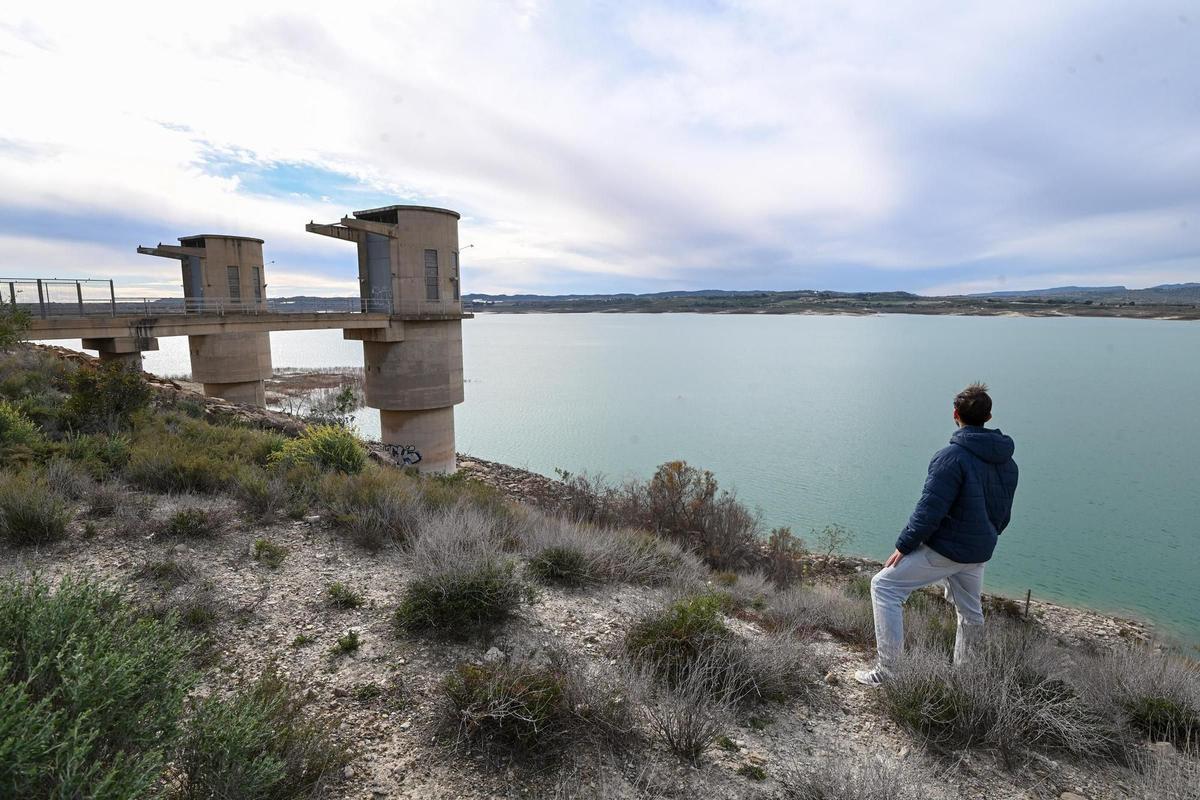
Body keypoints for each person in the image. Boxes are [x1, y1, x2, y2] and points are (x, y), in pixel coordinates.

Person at [855, 383, 1018, 686]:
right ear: (989, 416)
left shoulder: (951, 457)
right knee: (970, 614)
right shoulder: (1008, 463)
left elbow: (929, 509)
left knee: (884, 587)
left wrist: (904, 546)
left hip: (947, 551)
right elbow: (1002, 513)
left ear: (955, 415)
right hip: (979, 551)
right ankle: (966, 680)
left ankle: (888, 672)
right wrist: (987, 536)